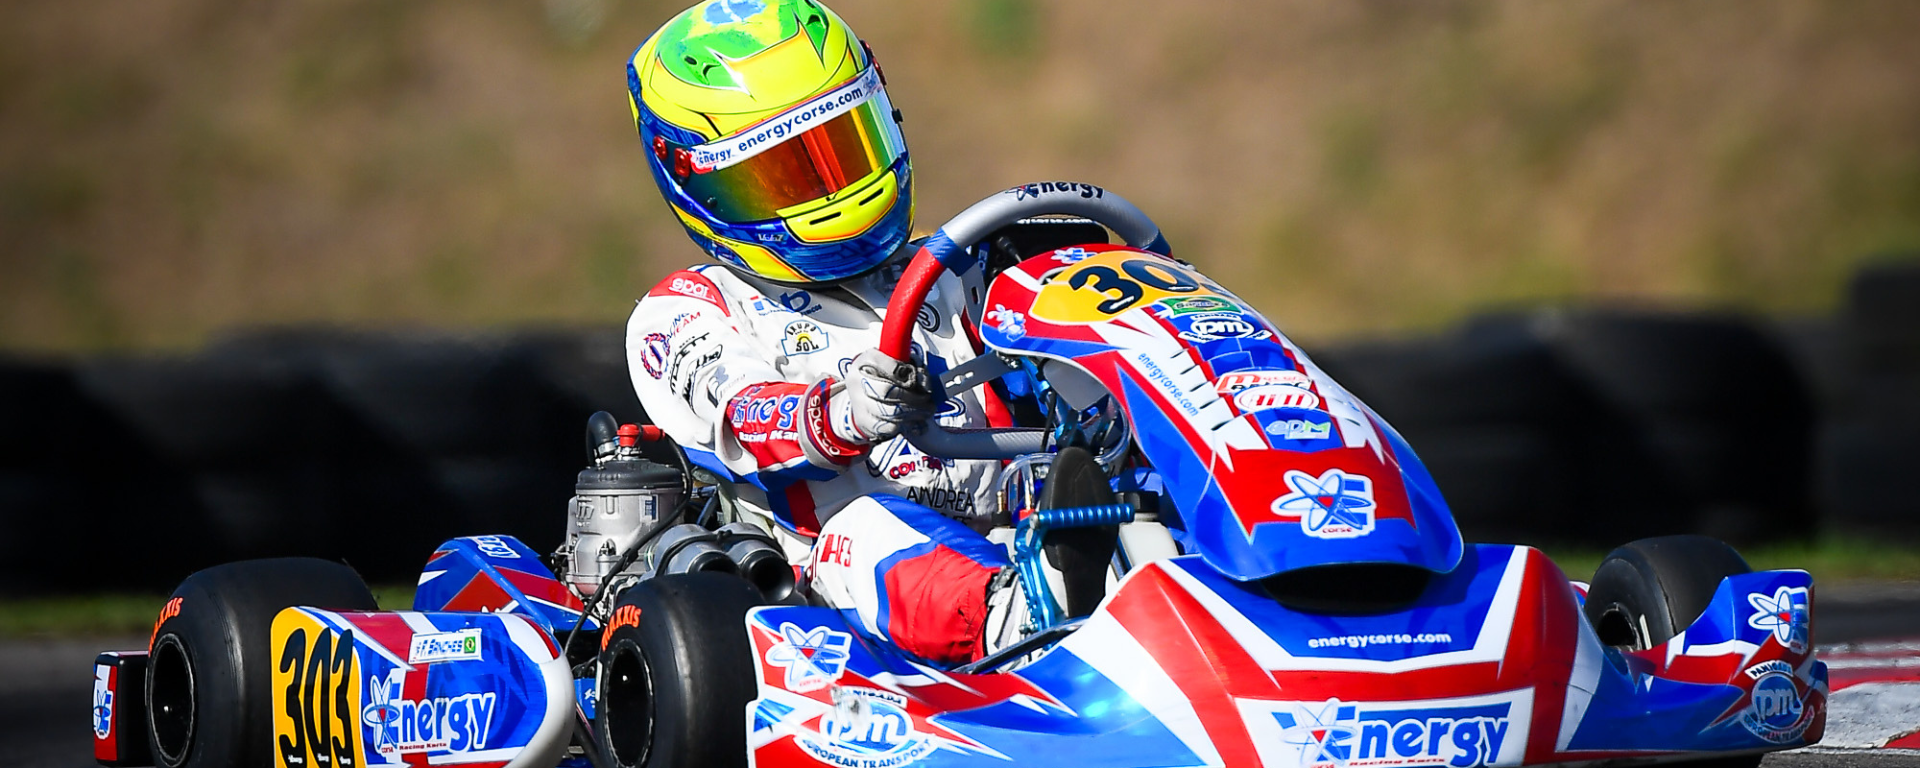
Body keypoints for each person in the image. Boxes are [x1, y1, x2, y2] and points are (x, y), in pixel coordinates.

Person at [623, 0, 1019, 665]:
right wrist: (842, 412)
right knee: (862, 529)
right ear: (699, 182)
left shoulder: (959, 265)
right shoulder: (688, 310)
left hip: (1019, 535)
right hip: (824, 600)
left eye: (843, 149)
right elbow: (742, 416)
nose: (832, 193)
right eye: (777, 175)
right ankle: (1018, 625)